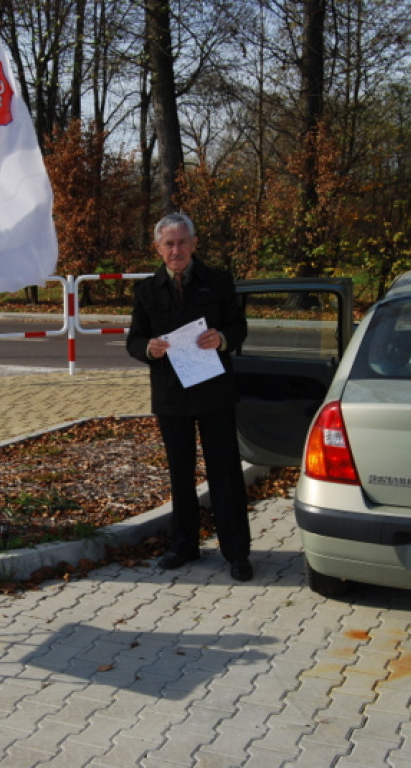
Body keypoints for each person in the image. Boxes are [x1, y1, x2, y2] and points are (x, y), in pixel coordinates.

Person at [126, 212, 253, 581]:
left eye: (182, 242)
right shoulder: (146, 291)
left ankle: (236, 552)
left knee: (225, 473)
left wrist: (223, 339)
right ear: (158, 248)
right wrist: (148, 348)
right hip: (171, 397)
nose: (176, 250)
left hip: (214, 392)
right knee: (180, 474)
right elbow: (134, 339)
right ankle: (183, 545)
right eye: (169, 244)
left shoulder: (218, 281)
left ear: (194, 244)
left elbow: (239, 327)